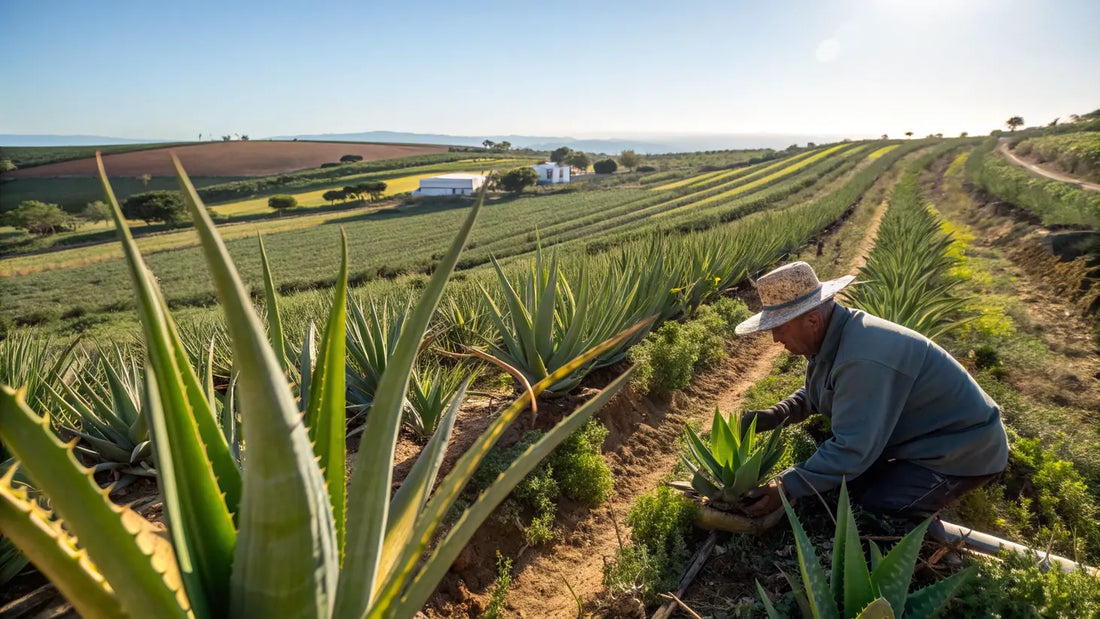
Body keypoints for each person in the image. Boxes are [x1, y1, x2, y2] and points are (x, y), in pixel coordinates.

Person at [736, 261, 1009, 519]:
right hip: (922, 439)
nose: (775, 338)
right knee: (843, 482)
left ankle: (923, 533)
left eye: (780, 328)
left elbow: (852, 450)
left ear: (813, 321)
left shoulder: (863, 359)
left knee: (873, 508)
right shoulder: (836, 336)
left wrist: (785, 486)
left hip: (962, 451)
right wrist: (778, 413)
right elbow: (826, 389)